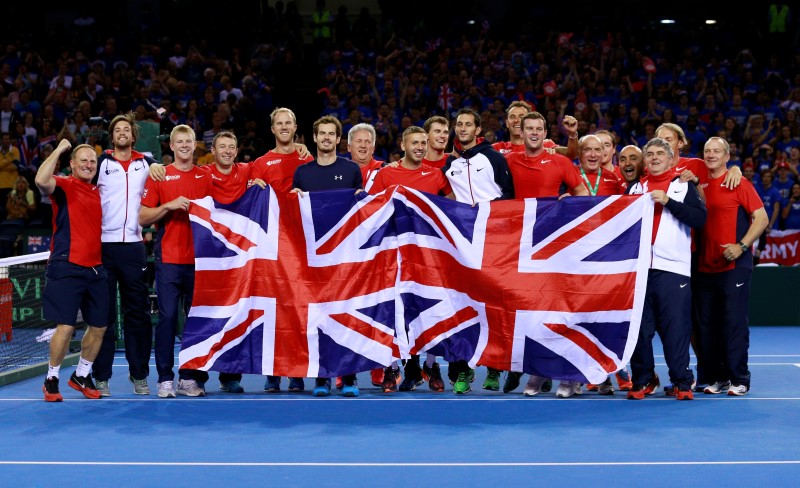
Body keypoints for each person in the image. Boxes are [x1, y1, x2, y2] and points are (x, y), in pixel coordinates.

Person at [502, 111, 588, 398]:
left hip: (555, 245)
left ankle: (568, 376)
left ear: (545, 133)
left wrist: (570, 201)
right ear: (521, 131)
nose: (534, 133)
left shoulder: (560, 162)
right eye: (529, 128)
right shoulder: (509, 161)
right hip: (523, 246)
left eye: (539, 128)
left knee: (559, 310)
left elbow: (583, 193)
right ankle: (538, 371)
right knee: (532, 312)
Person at [369, 125, 454, 393]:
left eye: (423, 143)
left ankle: (431, 365)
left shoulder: (436, 175)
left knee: (430, 307)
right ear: (403, 146)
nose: (419, 147)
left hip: (428, 253)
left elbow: (451, 207)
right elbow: (370, 209)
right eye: (414, 143)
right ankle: (392, 367)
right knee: (393, 308)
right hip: (394, 252)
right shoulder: (386, 174)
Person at [625, 137, 706, 400]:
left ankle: (682, 382)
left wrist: (669, 201)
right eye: (650, 154)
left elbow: (699, 219)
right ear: (645, 160)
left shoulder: (682, 185)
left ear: (671, 159)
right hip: (639, 271)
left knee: (676, 329)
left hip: (673, 269)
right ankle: (642, 380)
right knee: (639, 330)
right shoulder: (635, 188)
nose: (655, 157)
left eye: (660, 153)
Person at [442, 108, 514, 395]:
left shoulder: (494, 158)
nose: (462, 128)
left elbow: (509, 196)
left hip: (494, 241)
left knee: (493, 304)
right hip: (463, 244)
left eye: (467, 124)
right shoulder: (450, 164)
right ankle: (464, 368)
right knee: (463, 305)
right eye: (458, 124)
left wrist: (487, 211)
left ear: (477, 129)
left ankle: (494, 367)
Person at [291, 115, 363, 397]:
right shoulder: (302, 173)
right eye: (322, 133)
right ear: (314, 137)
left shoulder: (351, 169)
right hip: (313, 257)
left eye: (331, 134)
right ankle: (322, 377)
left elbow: (361, 209)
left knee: (347, 316)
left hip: (345, 255)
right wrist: (292, 197)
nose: (326, 138)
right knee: (318, 319)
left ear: (338, 139)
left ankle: (349, 378)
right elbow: (293, 214)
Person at [139, 124, 213, 398]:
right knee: (168, 318)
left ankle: (190, 378)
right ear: (171, 146)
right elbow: (143, 217)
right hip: (169, 259)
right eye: (179, 141)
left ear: (195, 145)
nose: (184, 145)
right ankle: (165, 379)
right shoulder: (159, 175)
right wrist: (168, 206)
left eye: (188, 141)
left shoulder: (206, 176)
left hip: (201, 262)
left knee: (196, 322)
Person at [695, 137, 768, 397]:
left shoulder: (739, 182)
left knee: (733, 324)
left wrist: (742, 245)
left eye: (717, 151)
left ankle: (739, 378)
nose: (711, 155)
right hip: (704, 267)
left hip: (734, 266)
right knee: (707, 327)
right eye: (707, 151)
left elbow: (762, 218)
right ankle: (718, 377)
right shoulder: (698, 183)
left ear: (727, 157)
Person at [37, 139, 108, 402]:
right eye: (84, 161)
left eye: (93, 161)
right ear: (72, 165)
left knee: (99, 327)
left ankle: (81, 374)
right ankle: (52, 378)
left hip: (96, 269)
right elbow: (40, 180)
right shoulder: (64, 185)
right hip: (66, 265)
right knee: (65, 327)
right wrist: (58, 149)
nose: (89, 165)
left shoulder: (98, 191)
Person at [92, 112, 156, 397]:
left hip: (133, 247)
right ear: (112, 136)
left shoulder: (148, 164)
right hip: (103, 248)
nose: (122, 133)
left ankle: (139, 375)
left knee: (138, 314)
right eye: (117, 129)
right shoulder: (99, 164)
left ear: (133, 135)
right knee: (102, 316)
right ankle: (101, 377)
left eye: (126, 129)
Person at [253, 107, 313, 393]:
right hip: (272, 248)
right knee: (273, 312)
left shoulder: (307, 159)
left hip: (302, 246)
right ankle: (273, 371)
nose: (284, 127)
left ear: (295, 127)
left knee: (298, 310)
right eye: (279, 123)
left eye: (289, 122)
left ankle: (296, 371)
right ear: (273, 129)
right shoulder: (261, 163)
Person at [347, 123, 383, 191]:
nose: (363, 146)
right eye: (358, 141)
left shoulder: (385, 169)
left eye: (367, 142)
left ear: (373, 149)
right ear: (349, 147)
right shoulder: (340, 172)